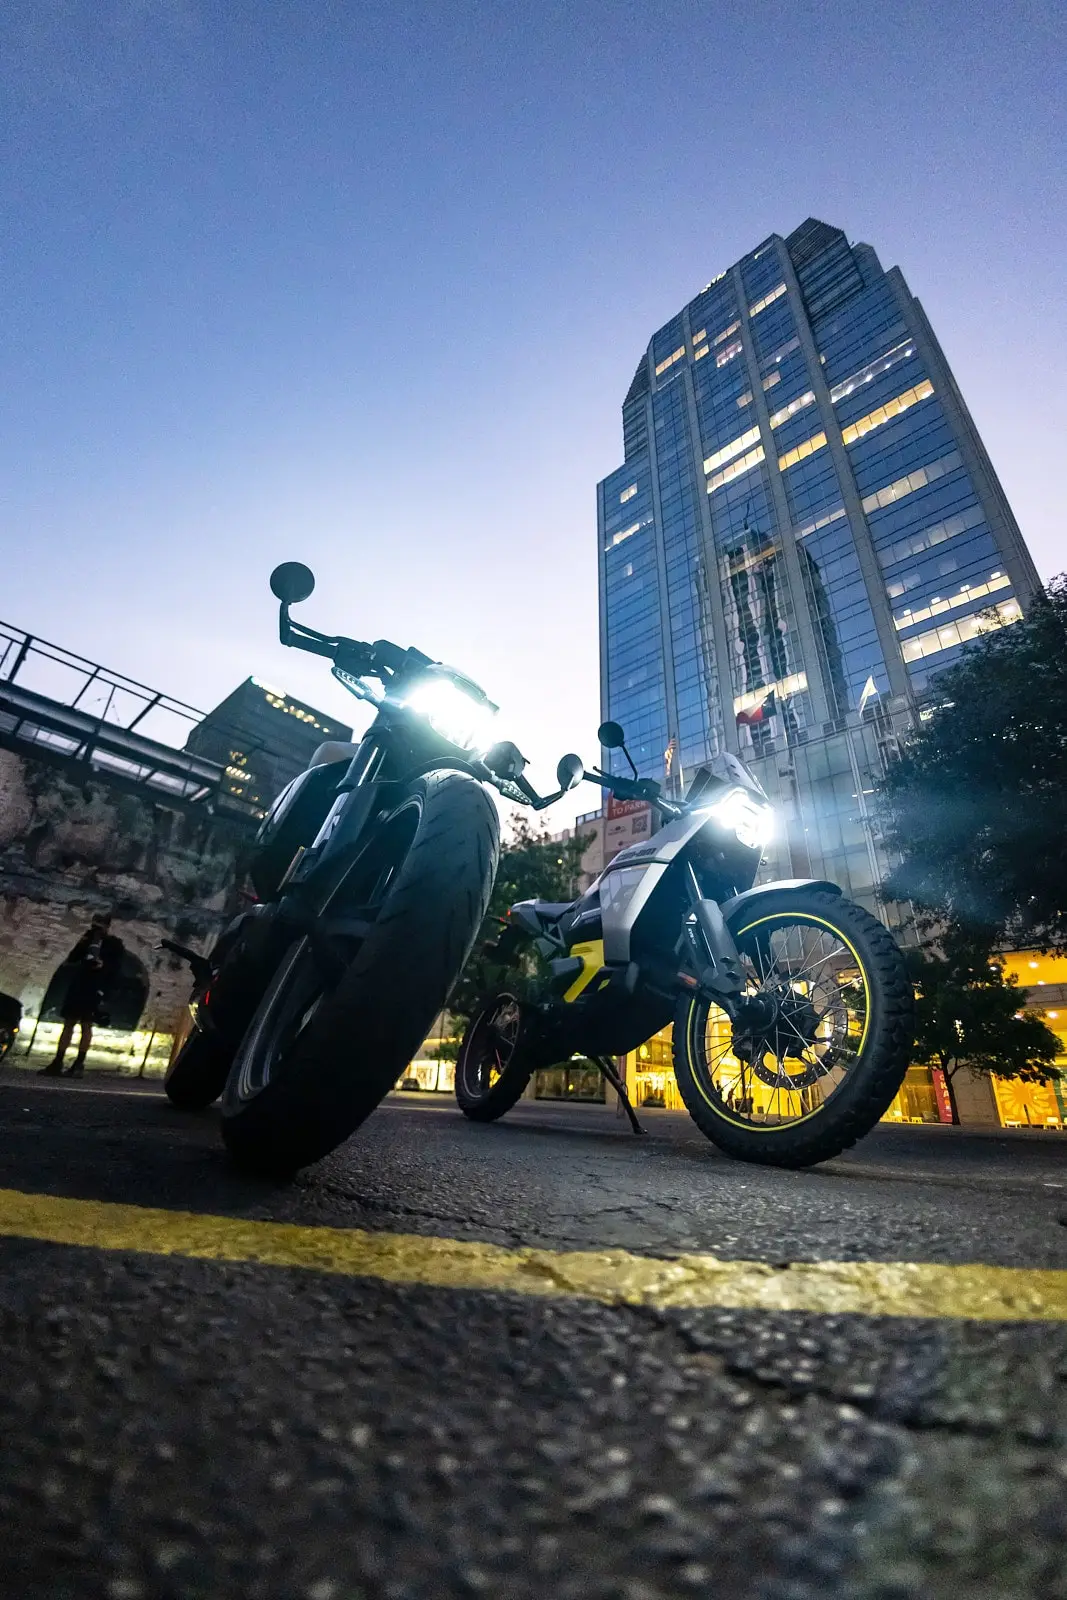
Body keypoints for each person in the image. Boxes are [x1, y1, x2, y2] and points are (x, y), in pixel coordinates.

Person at [39, 914, 124, 1077]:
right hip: (79, 984)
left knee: (86, 1024)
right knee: (69, 1022)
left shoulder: (114, 945)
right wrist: (84, 942)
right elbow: (72, 958)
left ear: (107, 927)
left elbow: (115, 969)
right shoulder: (87, 939)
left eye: (100, 925)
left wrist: (103, 968)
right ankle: (58, 1061)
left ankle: (78, 1064)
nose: (96, 929)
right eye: (95, 925)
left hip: (95, 987)